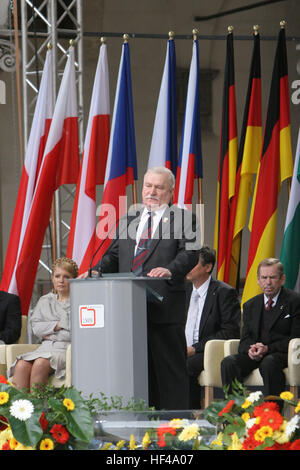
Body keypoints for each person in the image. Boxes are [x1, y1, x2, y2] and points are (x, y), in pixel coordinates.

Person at [85, 166, 199, 410]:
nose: (152, 191)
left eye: (159, 187)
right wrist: (95, 271)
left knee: (169, 376)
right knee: (138, 375)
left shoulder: (184, 218)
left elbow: (190, 253)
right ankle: (140, 431)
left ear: (170, 191)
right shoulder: (129, 220)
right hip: (129, 313)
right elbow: (113, 256)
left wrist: (170, 269)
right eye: (148, 186)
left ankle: (175, 431)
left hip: (164, 308)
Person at [221, 258, 300, 399]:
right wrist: (251, 349)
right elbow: (244, 340)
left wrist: (267, 349)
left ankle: (272, 415)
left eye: (272, 277)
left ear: (282, 279)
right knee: (229, 363)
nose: (268, 282)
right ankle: (234, 414)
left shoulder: (294, 301)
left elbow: (295, 338)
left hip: (282, 353)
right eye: (264, 277)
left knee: (269, 363)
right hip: (257, 353)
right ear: (258, 280)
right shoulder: (250, 305)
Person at [9, 257, 78, 391]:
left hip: (65, 350)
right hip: (43, 348)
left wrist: (49, 332)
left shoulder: (79, 301)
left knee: (40, 363)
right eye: (57, 276)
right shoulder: (45, 300)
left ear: (73, 279)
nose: (61, 280)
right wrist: (58, 325)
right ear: (52, 279)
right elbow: (36, 328)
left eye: (66, 277)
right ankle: (20, 410)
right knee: (21, 365)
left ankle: (40, 410)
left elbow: (73, 334)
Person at [185, 246, 241, 409]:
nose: (186, 268)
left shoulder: (224, 293)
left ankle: (189, 416)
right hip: (183, 349)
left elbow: (230, 331)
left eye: (192, 264)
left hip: (208, 351)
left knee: (186, 366)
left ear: (208, 267)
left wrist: (195, 348)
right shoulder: (184, 291)